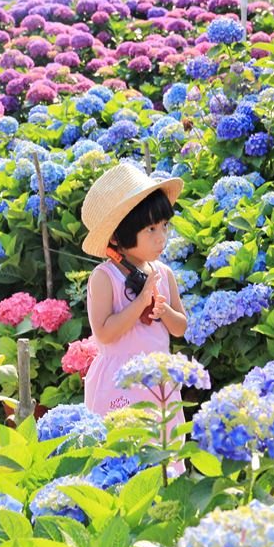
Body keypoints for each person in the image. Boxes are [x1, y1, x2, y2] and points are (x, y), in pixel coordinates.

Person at [80, 162, 188, 420]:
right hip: (119, 381)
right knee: (123, 446)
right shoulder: (104, 278)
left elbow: (180, 328)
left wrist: (165, 311)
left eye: (164, 226)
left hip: (159, 379)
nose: (161, 237)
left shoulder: (164, 273)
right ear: (117, 238)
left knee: (164, 446)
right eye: (150, 229)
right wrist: (141, 301)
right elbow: (105, 333)